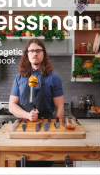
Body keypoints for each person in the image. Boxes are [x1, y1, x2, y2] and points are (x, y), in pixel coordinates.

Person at [9, 38, 64, 167]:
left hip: (46, 128)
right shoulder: (19, 77)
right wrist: (28, 115)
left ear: (43, 54)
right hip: (24, 128)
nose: (35, 53)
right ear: (27, 54)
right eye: (32, 51)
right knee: (23, 163)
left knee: (43, 164)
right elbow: (12, 106)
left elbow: (60, 106)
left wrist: (56, 130)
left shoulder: (54, 78)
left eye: (38, 50)